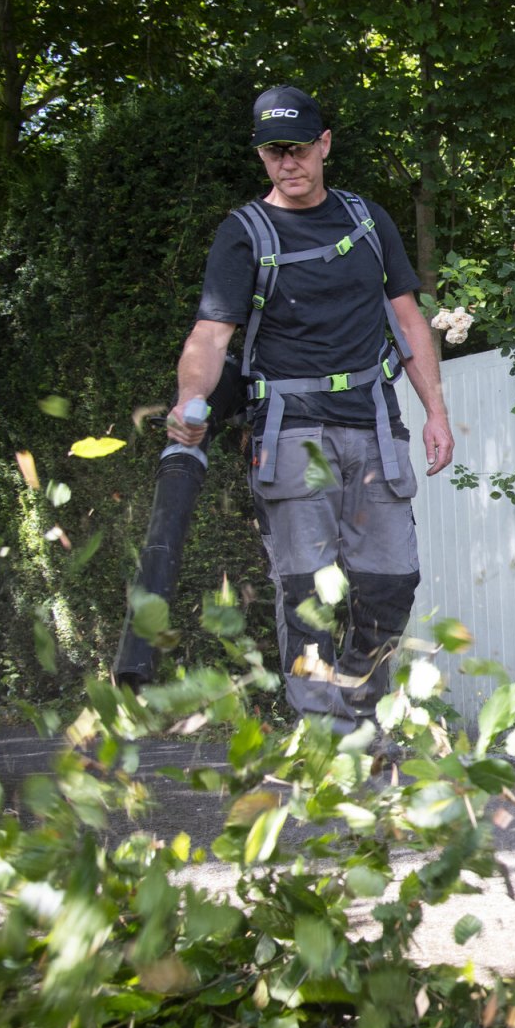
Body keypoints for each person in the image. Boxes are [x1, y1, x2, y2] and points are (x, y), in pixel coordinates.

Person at [165, 85, 454, 734]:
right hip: (293, 435)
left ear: (324, 144)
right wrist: (191, 399)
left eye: (297, 148)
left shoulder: (367, 220)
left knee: (392, 584)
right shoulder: (245, 233)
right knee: (310, 592)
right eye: (274, 151)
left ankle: (360, 714)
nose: (287, 162)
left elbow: (407, 319)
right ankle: (325, 740)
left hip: (374, 427)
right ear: (261, 155)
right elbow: (211, 334)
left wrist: (435, 411)